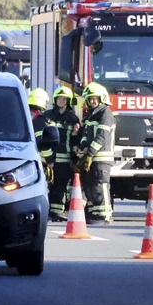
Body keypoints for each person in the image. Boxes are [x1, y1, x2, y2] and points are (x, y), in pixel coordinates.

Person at [72, 82, 116, 225]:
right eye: (90, 99)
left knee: (100, 186)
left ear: (101, 98)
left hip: (101, 158)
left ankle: (104, 216)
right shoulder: (90, 115)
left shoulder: (105, 114)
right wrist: (81, 148)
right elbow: (85, 136)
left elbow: (101, 137)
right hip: (92, 157)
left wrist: (89, 153)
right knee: (89, 186)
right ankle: (93, 214)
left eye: (95, 98)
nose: (92, 101)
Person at [44, 86, 81, 222]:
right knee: (48, 185)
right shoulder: (47, 115)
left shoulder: (72, 118)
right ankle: (47, 210)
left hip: (64, 159)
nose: (61, 101)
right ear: (55, 99)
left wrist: (75, 155)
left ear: (68, 101)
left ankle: (57, 211)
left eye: (64, 99)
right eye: (59, 98)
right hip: (48, 158)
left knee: (61, 185)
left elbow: (75, 140)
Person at [27, 88, 56, 182]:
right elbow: (42, 142)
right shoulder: (39, 119)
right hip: (37, 161)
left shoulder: (24, 115)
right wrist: (49, 160)